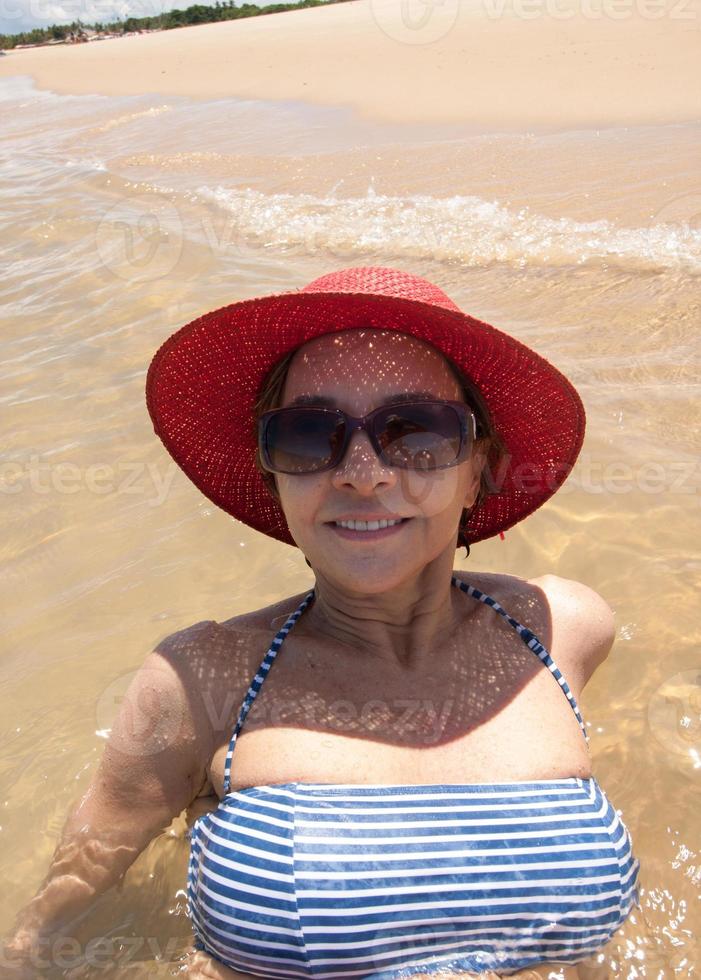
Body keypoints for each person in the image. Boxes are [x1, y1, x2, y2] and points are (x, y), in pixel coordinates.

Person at [3, 266, 640, 980]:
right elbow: (49, 936)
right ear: (272, 475)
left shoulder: (564, 629)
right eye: (310, 435)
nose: (362, 472)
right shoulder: (198, 681)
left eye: (415, 431)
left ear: (480, 470)